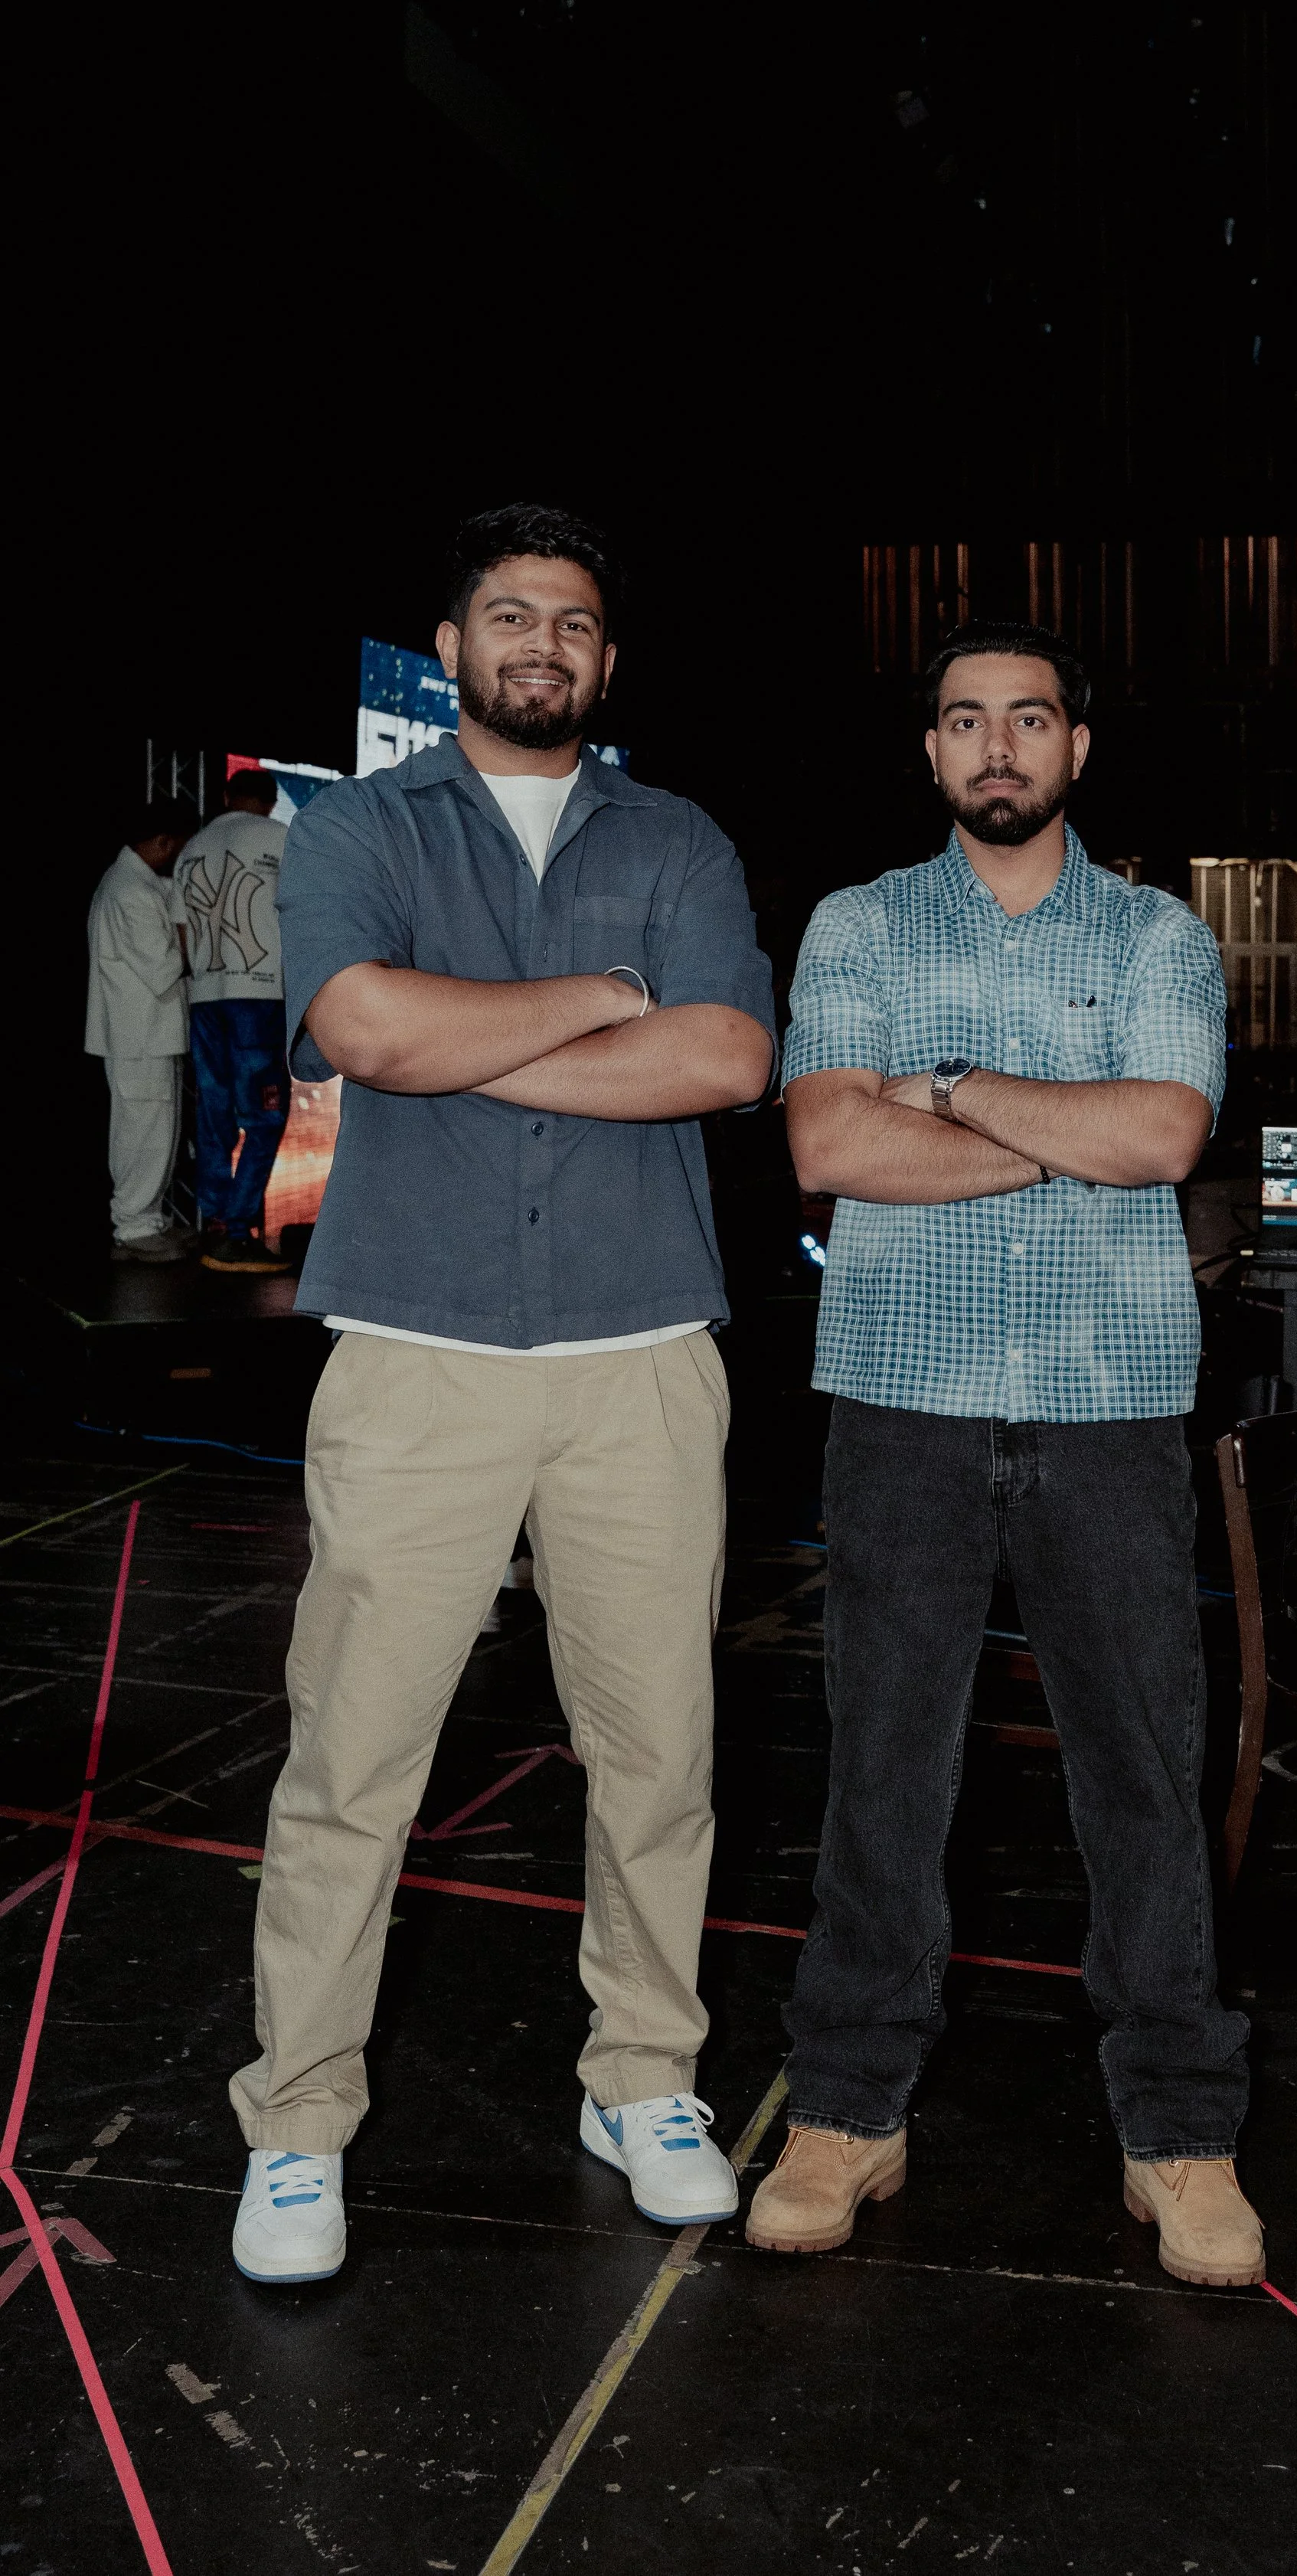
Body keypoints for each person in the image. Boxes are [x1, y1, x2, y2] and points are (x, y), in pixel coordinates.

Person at [227, 502, 776, 2285]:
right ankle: (298, 2122)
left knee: (658, 1754)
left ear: (607, 663)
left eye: (575, 621)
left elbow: (723, 1055)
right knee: (352, 1761)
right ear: (455, 647)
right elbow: (366, 1031)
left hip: (638, 1357)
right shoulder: (360, 823)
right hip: (417, 1351)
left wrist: (488, 1025)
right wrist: (596, 998)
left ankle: (646, 2076)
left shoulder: (677, 833)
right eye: (510, 613)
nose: (543, 640)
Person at [750, 619, 1259, 2289]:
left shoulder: (1162, 936)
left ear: (1074, 749)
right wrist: (1064, 1133)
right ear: (930, 753)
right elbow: (828, 1142)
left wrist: (954, 1086)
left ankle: (1178, 2130)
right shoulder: (854, 923)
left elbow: (1162, 1136)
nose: (994, 748)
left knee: (1140, 1773)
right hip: (901, 1399)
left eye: (1024, 720)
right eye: (963, 721)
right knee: (883, 1766)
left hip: (1112, 1405)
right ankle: (845, 2103)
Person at [173, 763, 292, 1271]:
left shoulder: (190, 849)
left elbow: (181, 935)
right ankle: (238, 1232)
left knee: (214, 1115)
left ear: (226, 795)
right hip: (259, 995)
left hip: (204, 995)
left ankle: (216, 1223)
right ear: (268, 802)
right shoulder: (283, 837)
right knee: (265, 1116)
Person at [84, 796, 200, 1261]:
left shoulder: (135, 884)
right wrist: (186, 926)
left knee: (154, 1130)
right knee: (143, 1132)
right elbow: (166, 965)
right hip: (139, 1035)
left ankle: (146, 1220)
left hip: (147, 1033)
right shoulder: (130, 891)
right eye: (179, 846)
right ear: (161, 841)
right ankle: (133, 1228)